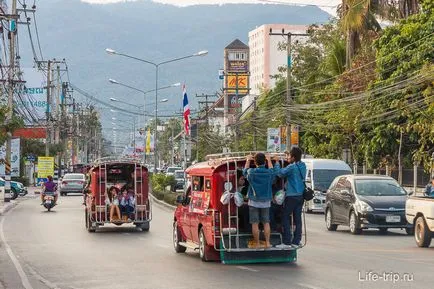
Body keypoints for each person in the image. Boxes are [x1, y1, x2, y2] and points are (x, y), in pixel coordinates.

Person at [243, 153, 276, 248]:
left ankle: (257, 243)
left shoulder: (251, 172)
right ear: (264, 161)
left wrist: (248, 160)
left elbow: (244, 172)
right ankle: (268, 242)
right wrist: (269, 160)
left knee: (255, 223)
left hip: (253, 201)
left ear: (255, 162)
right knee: (266, 222)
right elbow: (272, 171)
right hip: (266, 202)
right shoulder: (269, 173)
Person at [275, 147, 306, 248]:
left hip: (291, 196)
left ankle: (286, 241)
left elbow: (279, 173)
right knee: (298, 219)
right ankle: (296, 241)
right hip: (300, 195)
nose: (287, 157)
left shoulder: (291, 167)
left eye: (289, 156)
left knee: (285, 216)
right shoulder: (303, 165)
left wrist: (276, 163)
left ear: (293, 157)